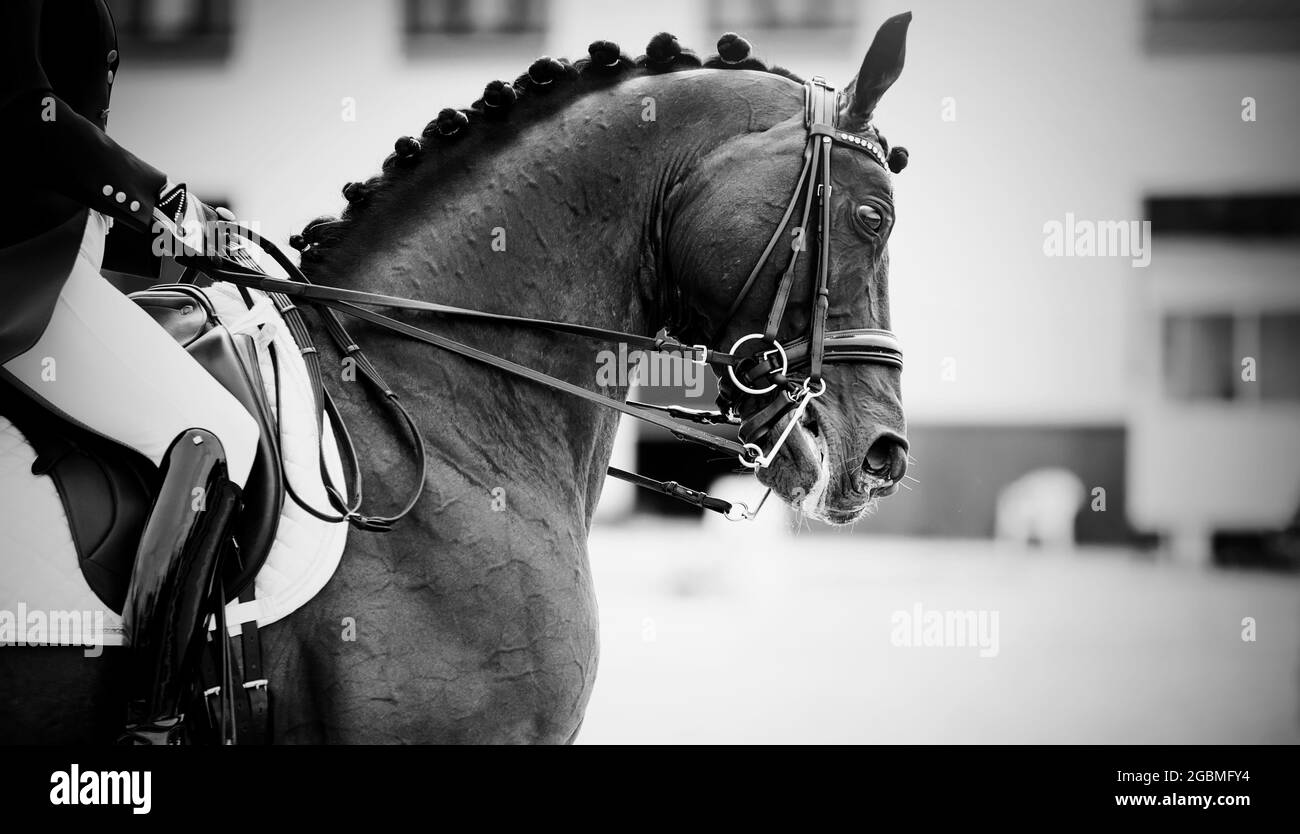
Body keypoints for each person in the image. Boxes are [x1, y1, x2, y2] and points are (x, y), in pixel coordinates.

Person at [0, 0, 260, 744]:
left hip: (56, 247)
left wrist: (199, 236)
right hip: (22, 269)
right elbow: (23, 112)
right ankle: (153, 732)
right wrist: (168, 204)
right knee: (216, 435)